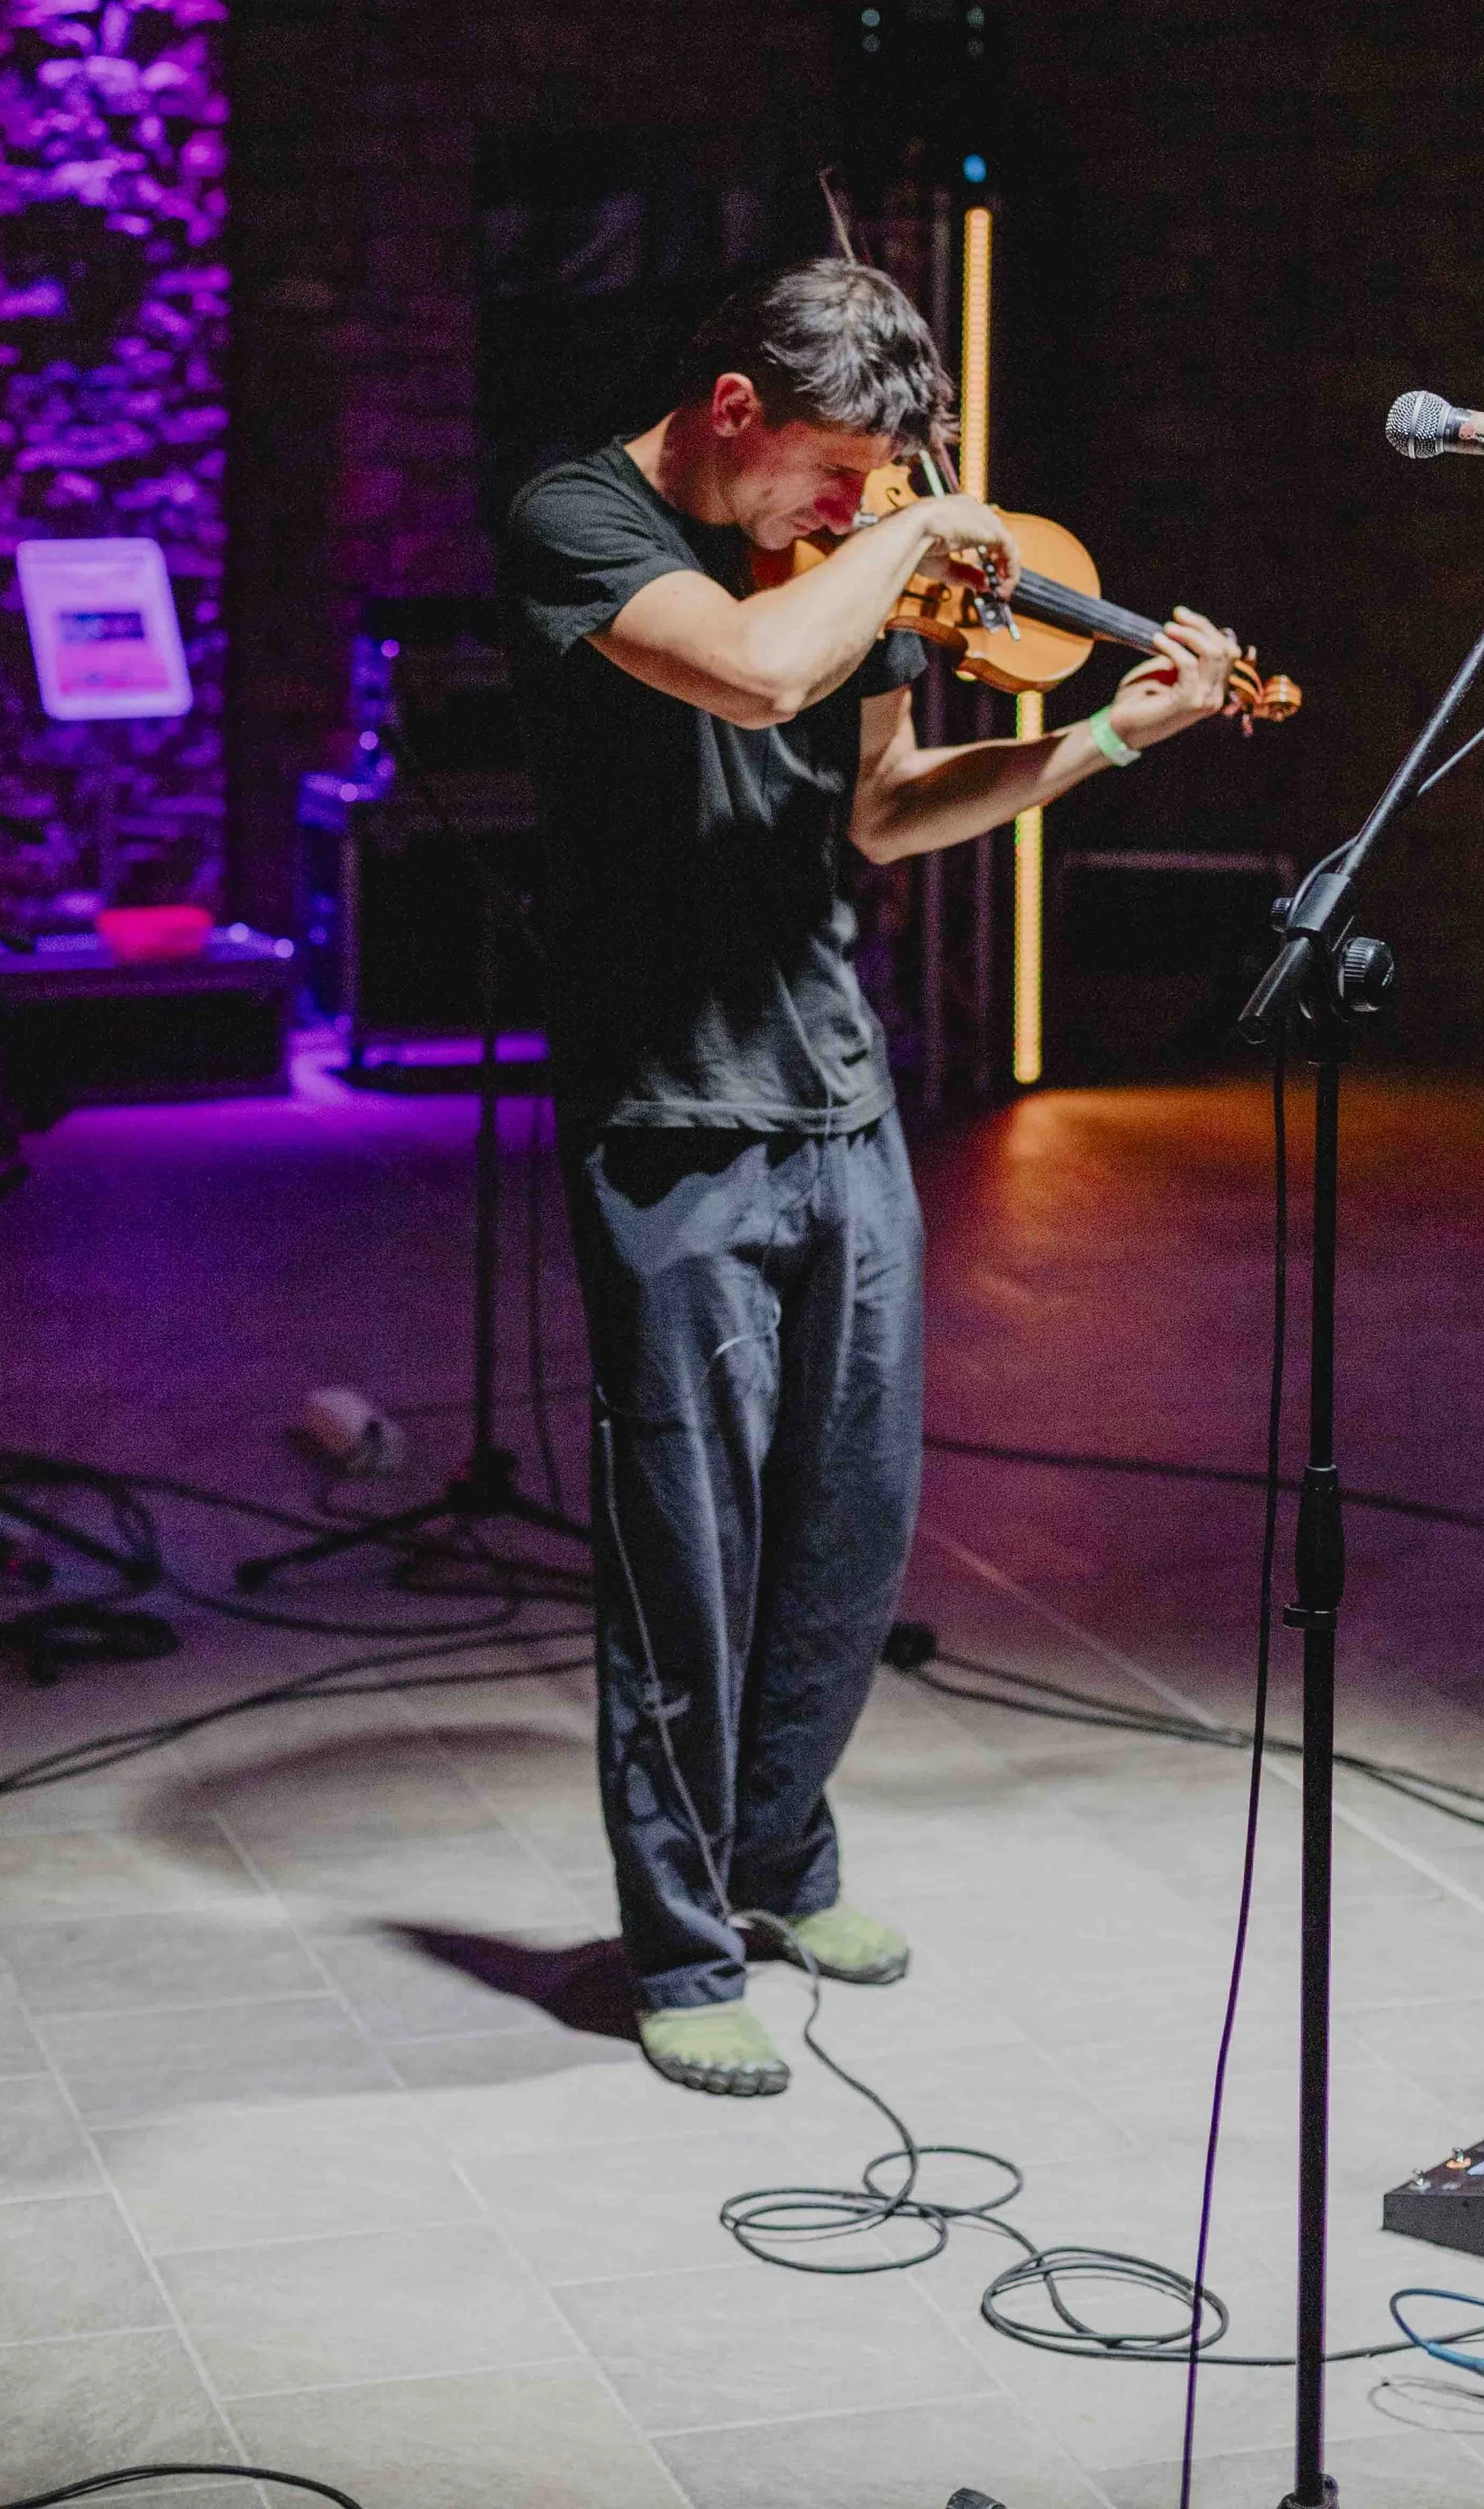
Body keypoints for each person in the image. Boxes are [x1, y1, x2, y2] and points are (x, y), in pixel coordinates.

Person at [501, 247, 1239, 2095]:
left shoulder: (847, 563)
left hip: (834, 1096)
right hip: (667, 1115)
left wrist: (1086, 738)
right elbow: (753, 682)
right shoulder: (576, 521)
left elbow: (879, 805)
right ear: (734, 411)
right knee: (686, 1555)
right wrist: (899, 551)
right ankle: (680, 1951)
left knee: (844, 1536)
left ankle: (783, 1856)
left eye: (880, 485)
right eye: (834, 471)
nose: (855, 507)